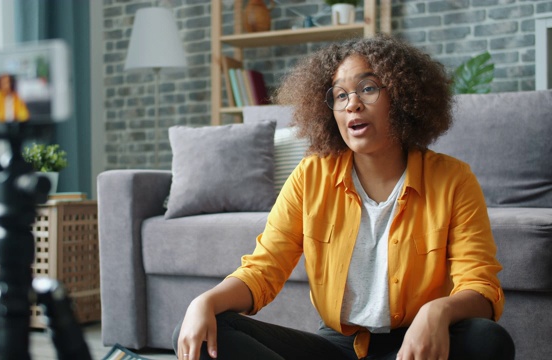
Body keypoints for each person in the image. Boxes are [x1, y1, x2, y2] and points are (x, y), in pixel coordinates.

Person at [174, 34, 515, 360]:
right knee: (204, 328)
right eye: (340, 95)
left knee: (486, 340)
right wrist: (204, 302)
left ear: (401, 97)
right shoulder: (311, 176)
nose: (352, 103)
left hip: (416, 346)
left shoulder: (452, 179)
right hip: (337, 348)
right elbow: (264, 270)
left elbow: (481, 287)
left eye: (367, 89)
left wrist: (437, 312)